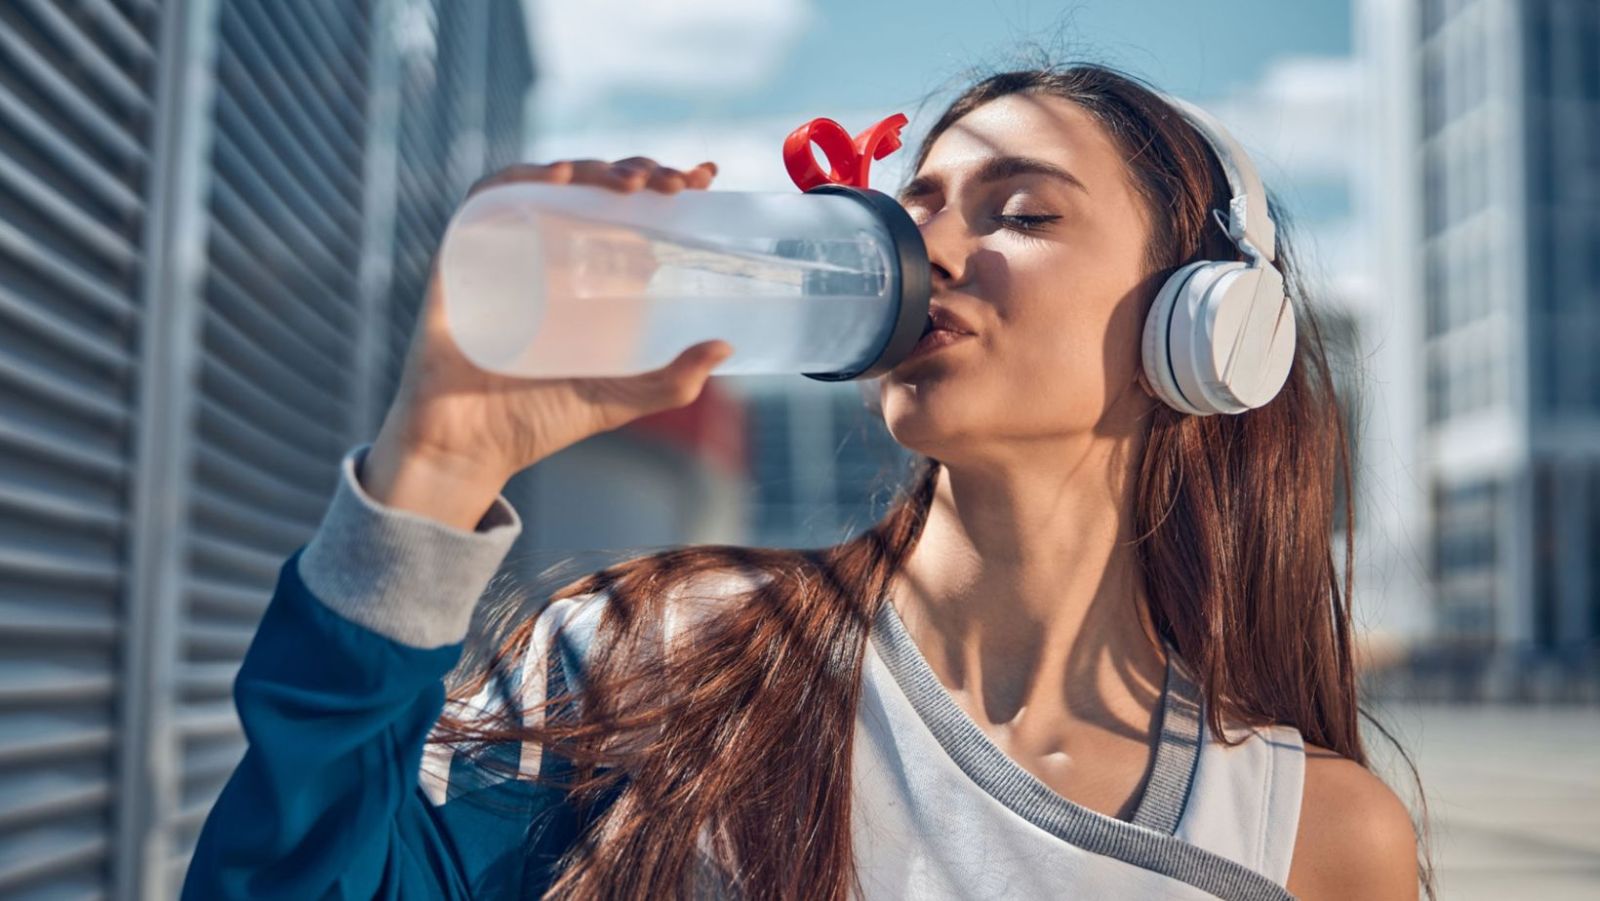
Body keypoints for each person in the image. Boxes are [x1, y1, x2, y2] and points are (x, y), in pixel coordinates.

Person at [182, 63, 1430, 900]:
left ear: (1205, 328)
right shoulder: (651, 653)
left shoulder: (1309, 836)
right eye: (915, 203)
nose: (925, 249)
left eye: (1019, 213)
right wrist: (435, 472)